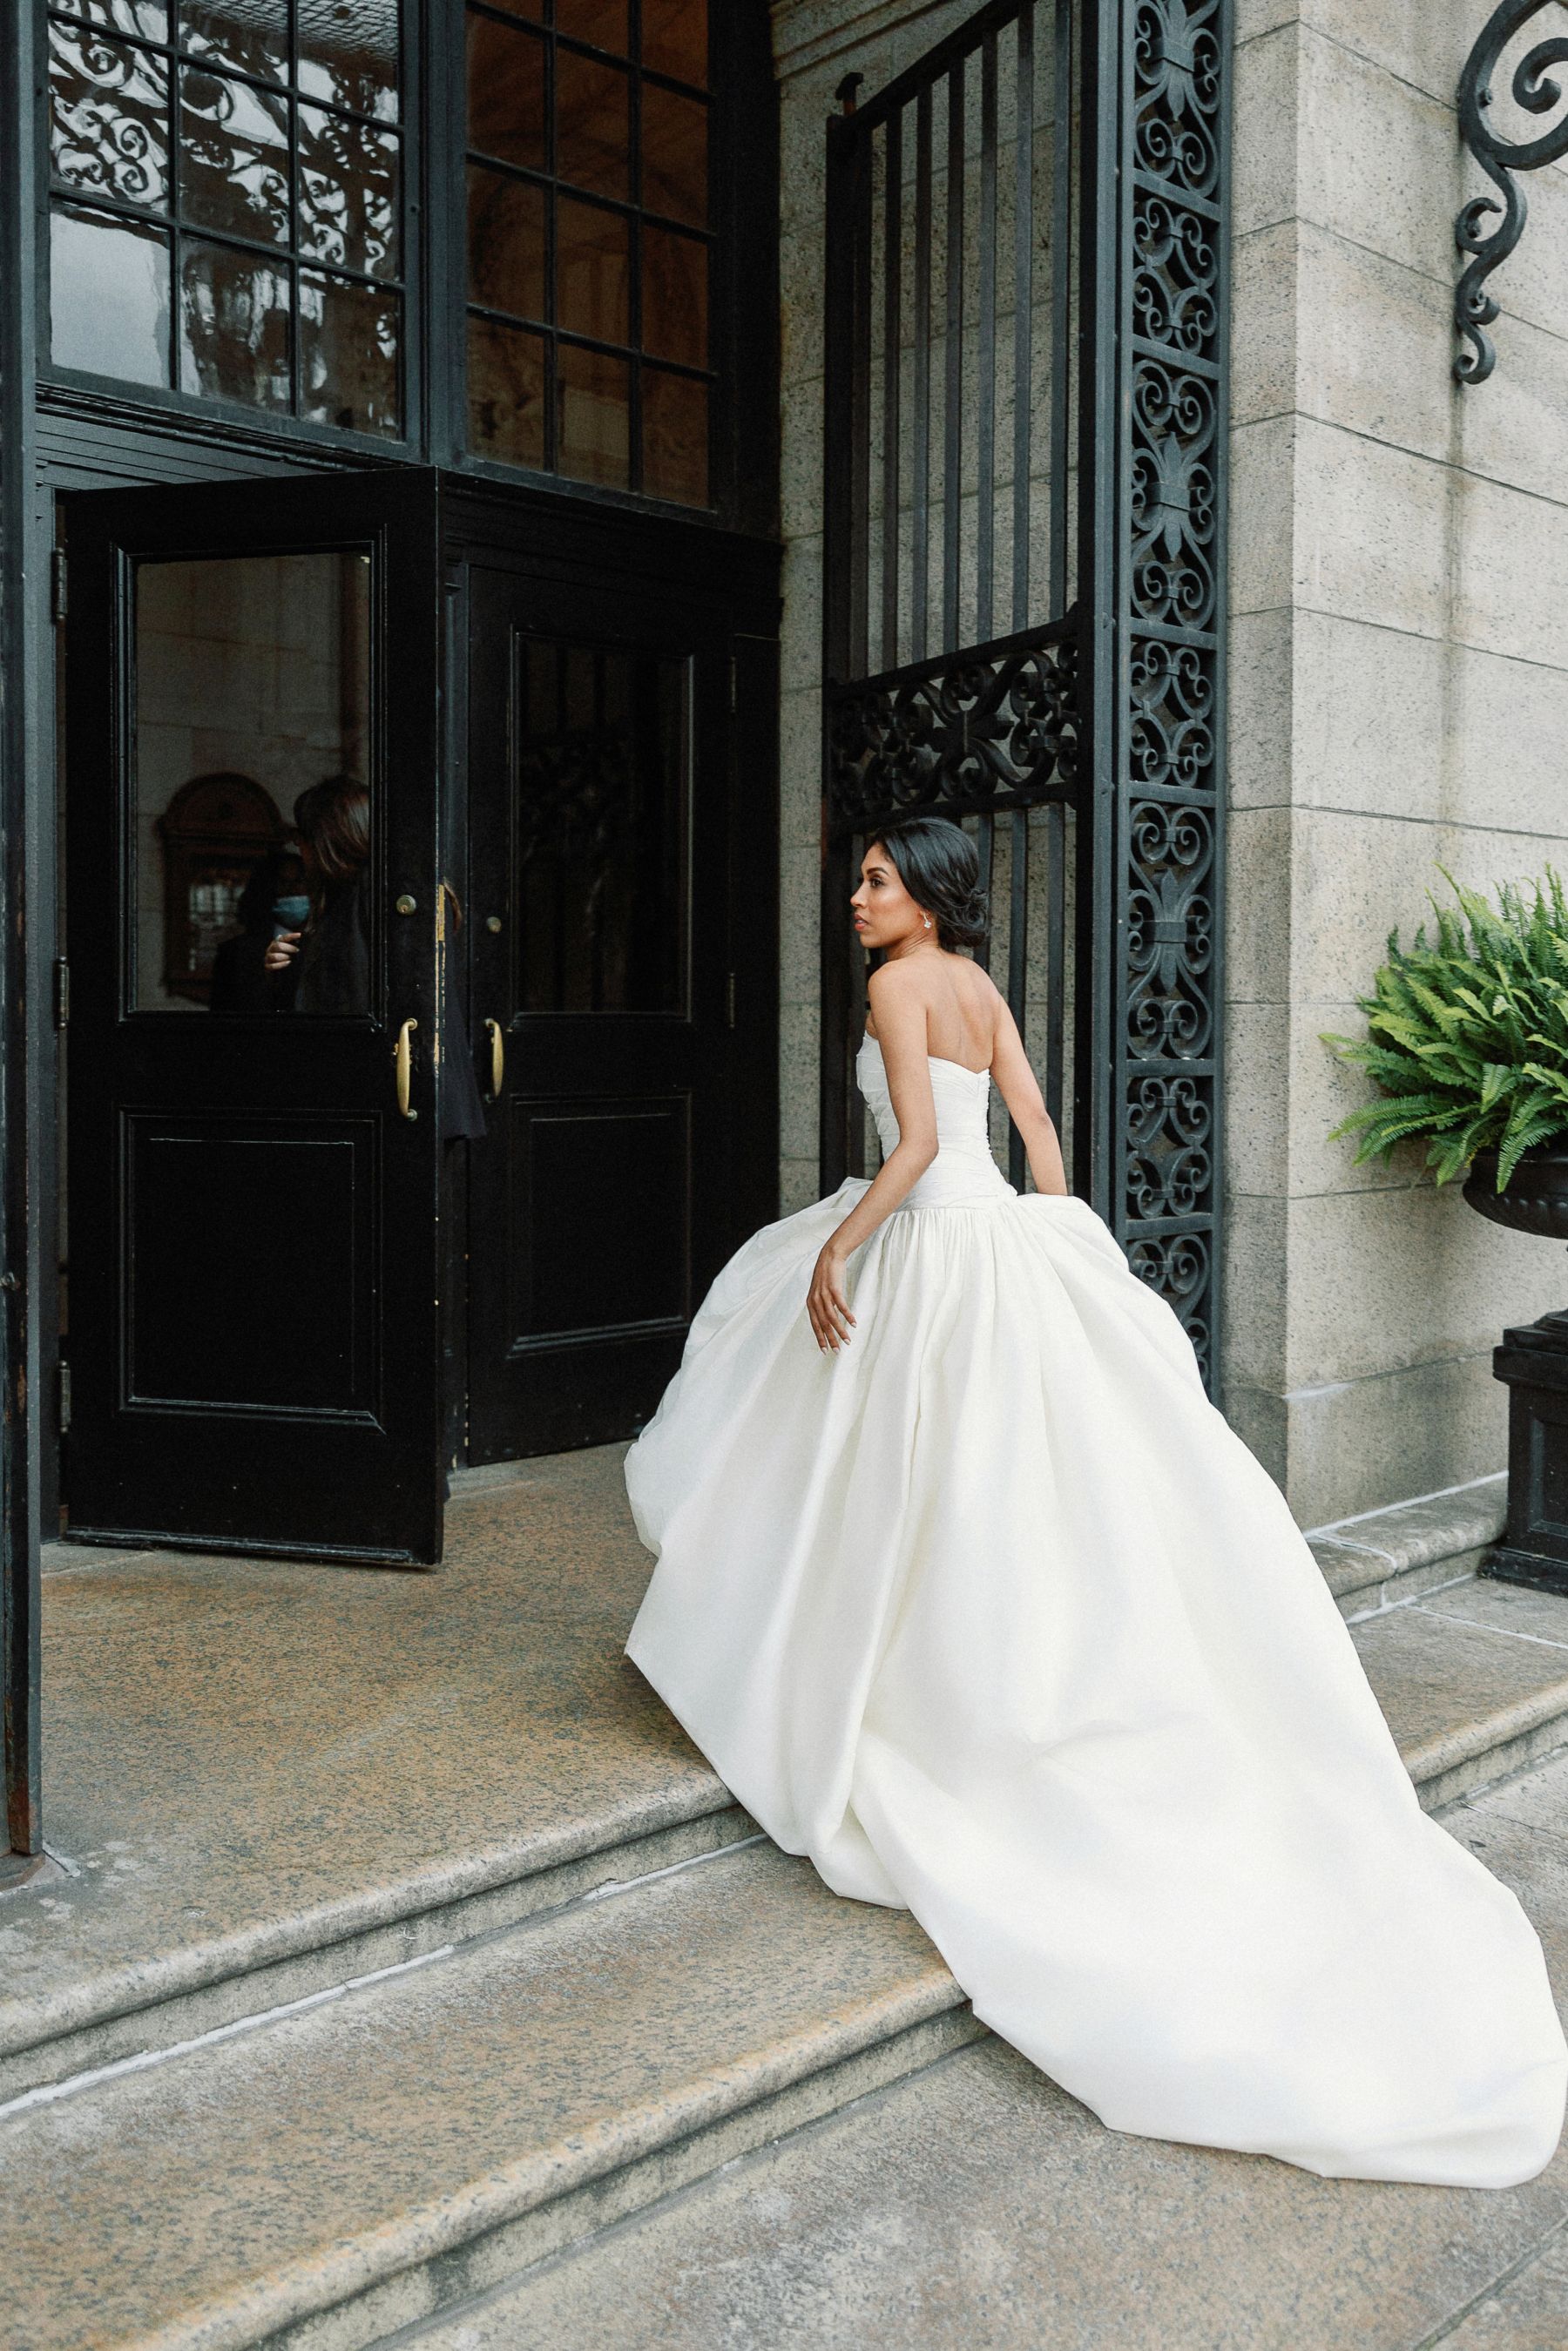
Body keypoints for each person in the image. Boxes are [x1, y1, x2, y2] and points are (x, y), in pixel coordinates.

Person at [623, 813, 1568, 2190]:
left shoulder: (898, 985)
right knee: (989, 1477)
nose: (858, 894)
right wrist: (1065, 1242)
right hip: (998, 1239)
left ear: (928, 895)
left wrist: (840, 1240)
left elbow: (911, 1152)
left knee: (883, 1461)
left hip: (929, 1245)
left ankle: (872, 1669)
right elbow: (1032, 1131)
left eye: (879, 877)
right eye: (862, 875)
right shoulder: (985, 989)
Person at [265, 777, 371, 1014]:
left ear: (324, 840)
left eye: (299, 837)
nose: (299, 848)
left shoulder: (365, 897)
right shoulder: (336, 900)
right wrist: (283, 971)